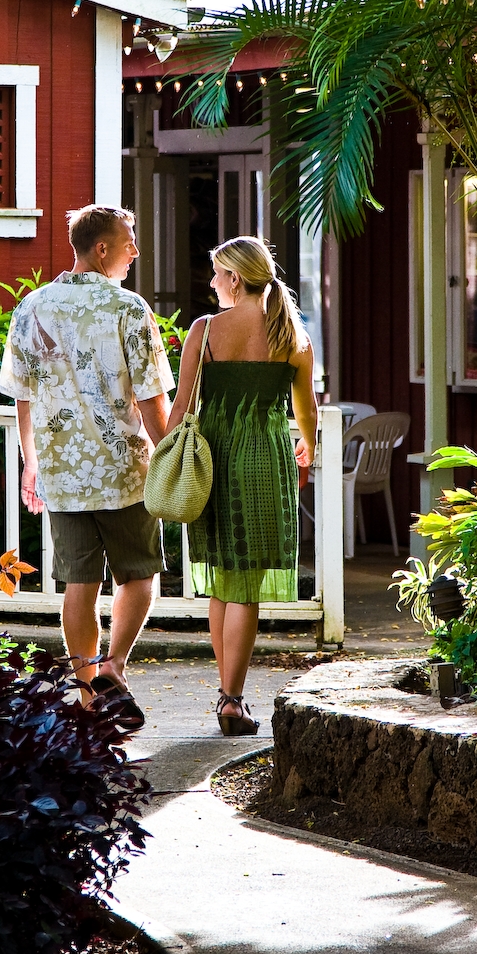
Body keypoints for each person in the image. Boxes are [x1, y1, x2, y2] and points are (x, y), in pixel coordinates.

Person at [0, 205, 172, 732]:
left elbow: (22, 399)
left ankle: (85, 686)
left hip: (62, 471)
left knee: (79, 581)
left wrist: (32, 464)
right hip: (125, 469)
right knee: (139, 573)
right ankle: (114, 666)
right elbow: (151, 398)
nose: (135, 251)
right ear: (103, 249)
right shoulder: (129, 308)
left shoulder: (32, 308)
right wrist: (172, 455)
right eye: (130, 242)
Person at [163, 236, 316, 736]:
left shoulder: (204, 332)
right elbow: (305, 411)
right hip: (266, 459)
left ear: (234, 277)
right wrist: (307, 450)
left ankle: (226, 696)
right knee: (245, 582)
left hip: (216, 459)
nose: (211, 284)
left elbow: (182, 406)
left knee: (222, 578)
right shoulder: (293, 336)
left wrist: (164, 459)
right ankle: (234, 700)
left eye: (215, 274)